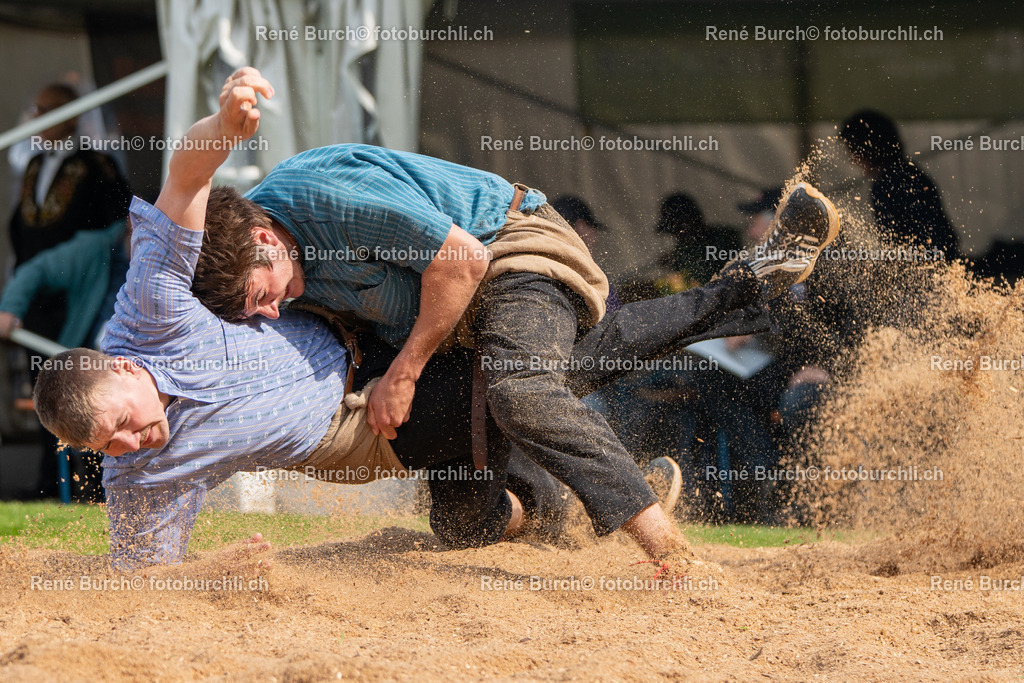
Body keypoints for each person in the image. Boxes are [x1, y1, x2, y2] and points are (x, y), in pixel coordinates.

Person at [33, 69, 840, 575]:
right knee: (465, 520)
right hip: (383, 403)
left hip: (502, 250)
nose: (130, 444)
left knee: (524, 385)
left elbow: (185, 183)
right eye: (105, 449)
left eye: (122, 426)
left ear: (129, 366)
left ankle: (659, 538)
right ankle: (572, 490)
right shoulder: (136, 469)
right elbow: (138, 582)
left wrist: (224, 122)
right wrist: (215, 574)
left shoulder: (172, 297)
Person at [0, 218, 131, 501]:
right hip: (89, 362)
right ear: (134, 224)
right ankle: (89, 492)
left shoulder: (172, 257)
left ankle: (111, 493)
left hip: (139, 368)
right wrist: (10, 307)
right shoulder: (96, 248)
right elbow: (36, 270)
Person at [839, 109, 960, 260]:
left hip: (927, 267)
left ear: (868, 148)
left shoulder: (887, 184)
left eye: (852, 150)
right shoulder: (911, 173)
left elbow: (897, 247)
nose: (853, 160)